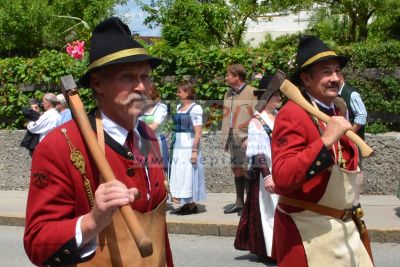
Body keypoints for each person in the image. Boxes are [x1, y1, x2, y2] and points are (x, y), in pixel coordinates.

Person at [24, 17, 173, 266]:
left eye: (145, 76)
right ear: (98, 83)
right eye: (128, 77)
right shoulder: (60, 147)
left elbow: (158, 231)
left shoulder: (149, 137)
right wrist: (92, 221)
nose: (141, 87)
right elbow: (37, 242)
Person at [271, 35, 373, 267]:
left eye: (338, 71)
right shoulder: (292, 114)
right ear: (306, 79)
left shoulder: (336, 109)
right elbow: (283, 177)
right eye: (327, 72)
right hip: (308, 233)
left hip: (345, 229)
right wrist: (325, 140)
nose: (336, 78)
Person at [234, 72, 280, 261]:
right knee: (269, 210)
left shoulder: (278, 116)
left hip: (280, 168)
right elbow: (259, 152)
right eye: (276, 94)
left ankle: (279, 246)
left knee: (279, 210)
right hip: (266, 172)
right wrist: (267, 176)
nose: (279, 97)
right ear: (266, 97)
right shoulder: (257, 121)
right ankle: (270, 249)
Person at [221, 64, 257, 214]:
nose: (226, 77)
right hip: (232, 139)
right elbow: (226, 117)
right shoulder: (228, 93)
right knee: (236, 170)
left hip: (245, 139)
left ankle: (249, 205)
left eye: (228, 75)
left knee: (247, 171)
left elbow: (257, 116)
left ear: (237, 76)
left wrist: (252, 138)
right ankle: (239, 202)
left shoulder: (252, 92)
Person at [169, 82, 206, 215]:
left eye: (180, 92)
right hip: (179, 143)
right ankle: (185, 202)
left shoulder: (196, 109)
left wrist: (194, 151)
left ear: (187, 93)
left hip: (188, 142)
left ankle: (192, 205)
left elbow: (198, 132)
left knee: (188, 172)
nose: (177, 94)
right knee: (180, 171)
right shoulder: (179, 107)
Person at [139, 84, 169, 173]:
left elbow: (153, 127)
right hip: (142, 142)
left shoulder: (161, 107)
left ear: (151, 92)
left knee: (157, 171)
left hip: (156, 142)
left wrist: (137, 127)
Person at [338, 75, 368, 140]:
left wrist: (349, 135)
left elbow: (361, 116)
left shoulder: (352, 94)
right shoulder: (334, 93)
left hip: (354, 139)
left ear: (342, 78)